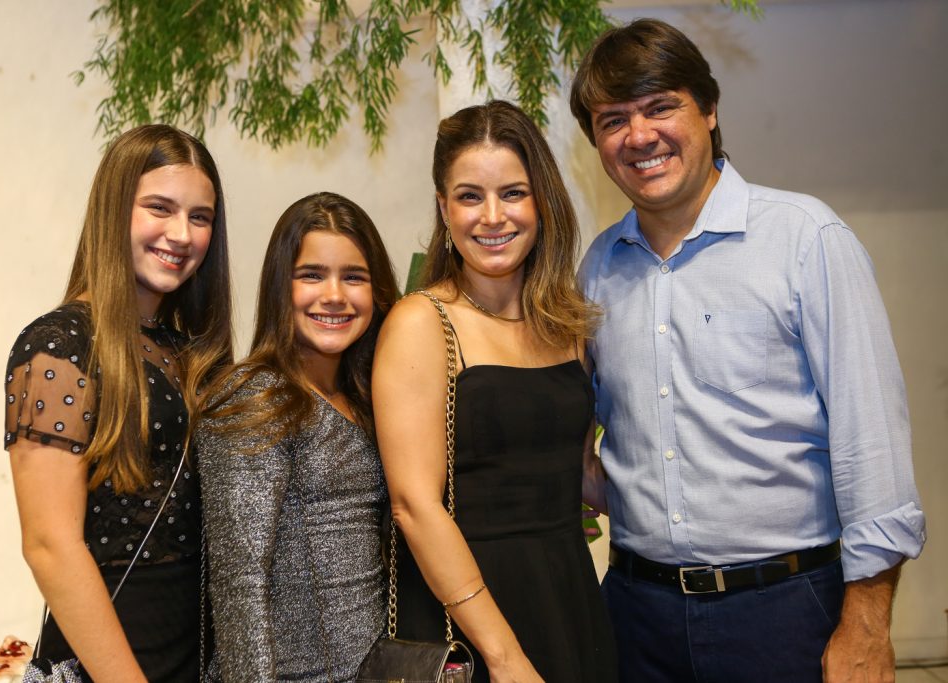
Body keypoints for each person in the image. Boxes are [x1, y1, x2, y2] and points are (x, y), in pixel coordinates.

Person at [570, 18, 926, 683]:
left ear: (707, 110)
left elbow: (870, 443)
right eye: (613, 119)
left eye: (659, 106)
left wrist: (868, 622)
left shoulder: (805, 239)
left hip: (785, 612)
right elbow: (580, 420)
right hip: (633, 613)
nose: (639, 135)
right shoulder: (599, 268)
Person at [373, 100, 616, 683]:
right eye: (469, 196)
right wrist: (505, 659)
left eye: (512, 193)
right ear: (443, 208)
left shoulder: (566, 325)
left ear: (542, 201)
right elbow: (414, 506)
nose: (492, 216)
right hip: (470, 620)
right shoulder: (422, 322)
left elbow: (581, 469)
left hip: (570, 598)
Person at [4, 124, 234, 682]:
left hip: (197, 656)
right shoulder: (56, 347)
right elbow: (50, 544)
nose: (181, 233)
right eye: (160, 208)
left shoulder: (190, 352)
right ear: (114, 210)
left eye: (199, 217)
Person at [195, 192, 399, 682]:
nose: (334, 295)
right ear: (279, 287)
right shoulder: (254, 398)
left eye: (354, 276)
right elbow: (238, 580)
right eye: (311, 275)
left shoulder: (368, 398)